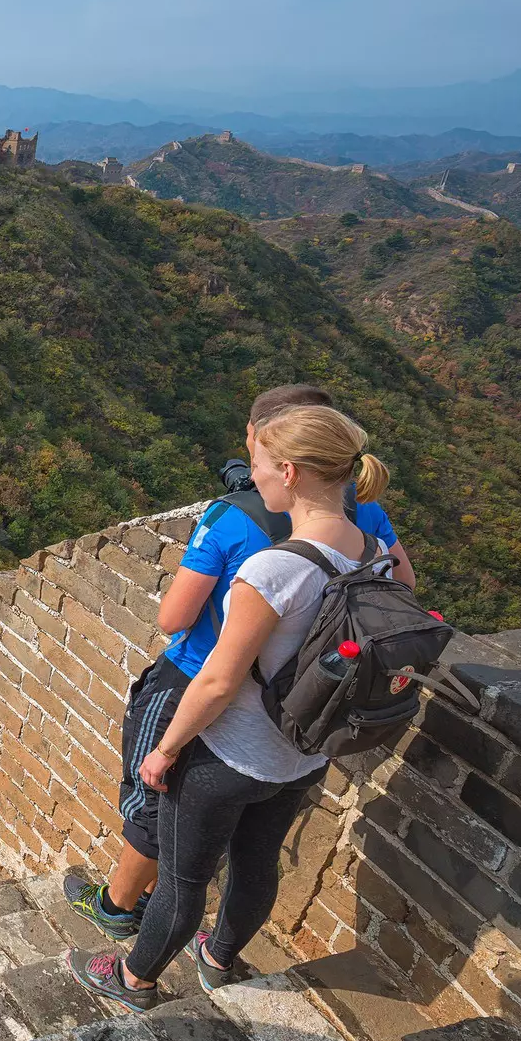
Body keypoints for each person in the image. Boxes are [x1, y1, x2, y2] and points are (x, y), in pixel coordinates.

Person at [62, 384, 414, 940]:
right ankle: (219, 951)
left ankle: (118, 907)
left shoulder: (230, 518)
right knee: (258, 852)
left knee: (156, 798)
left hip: (202, 680)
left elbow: (174, 619)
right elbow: (402, 585)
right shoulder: (361, 507)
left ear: (270, 450)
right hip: (304, 703)